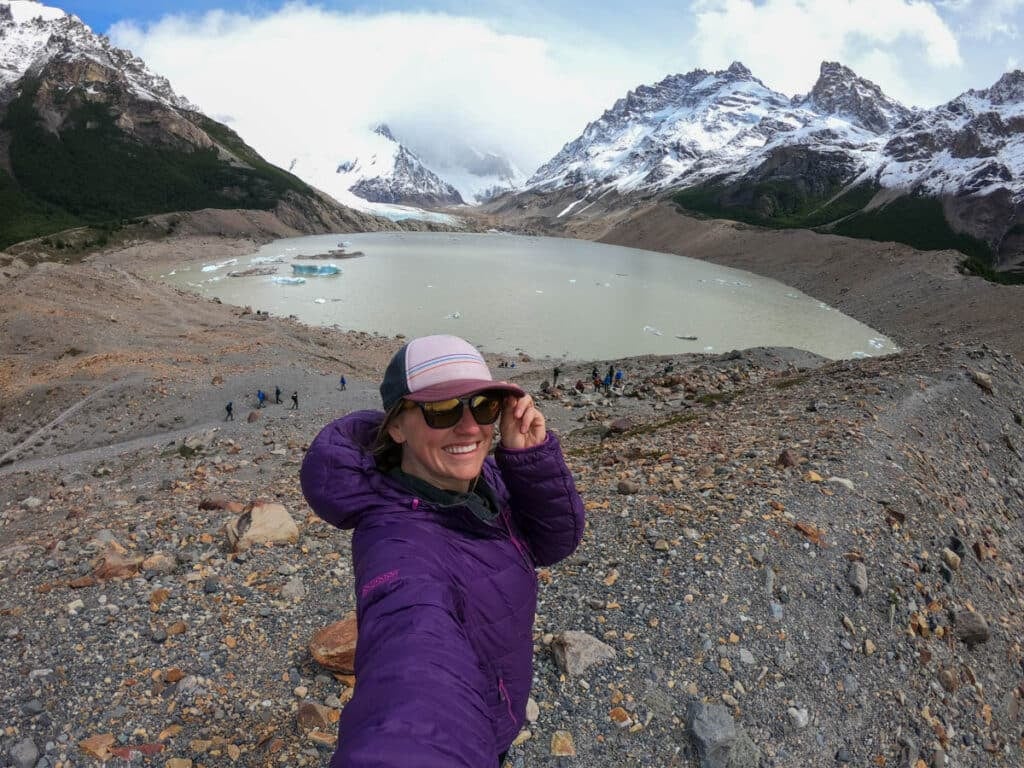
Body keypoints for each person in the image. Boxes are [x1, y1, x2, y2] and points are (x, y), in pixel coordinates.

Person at [300, 334, 584, 768]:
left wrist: (528, 461)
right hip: (471, 731)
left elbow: (550, 543)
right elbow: (413, 663)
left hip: (496, 710)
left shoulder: (482, 478)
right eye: (442, 409)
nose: (470, 426)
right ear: (396, 426)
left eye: (484, 405)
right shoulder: (397, 543)